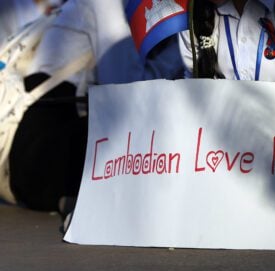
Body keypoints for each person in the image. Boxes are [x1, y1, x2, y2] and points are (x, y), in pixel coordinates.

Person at [6, 0, 184, 212]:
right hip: (40, 155)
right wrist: (180, 50)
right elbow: (123, 91)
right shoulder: (107, 4)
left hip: (39, 157)